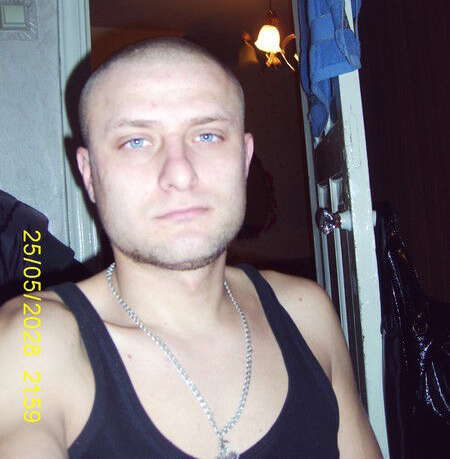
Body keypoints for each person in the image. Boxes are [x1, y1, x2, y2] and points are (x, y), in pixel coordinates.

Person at [0, 38, 382, 458]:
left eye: (207, 135)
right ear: (89, 175)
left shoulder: (307, 314)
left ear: (244, 159)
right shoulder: (32, 339)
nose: (180, 173)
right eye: (136, 141)